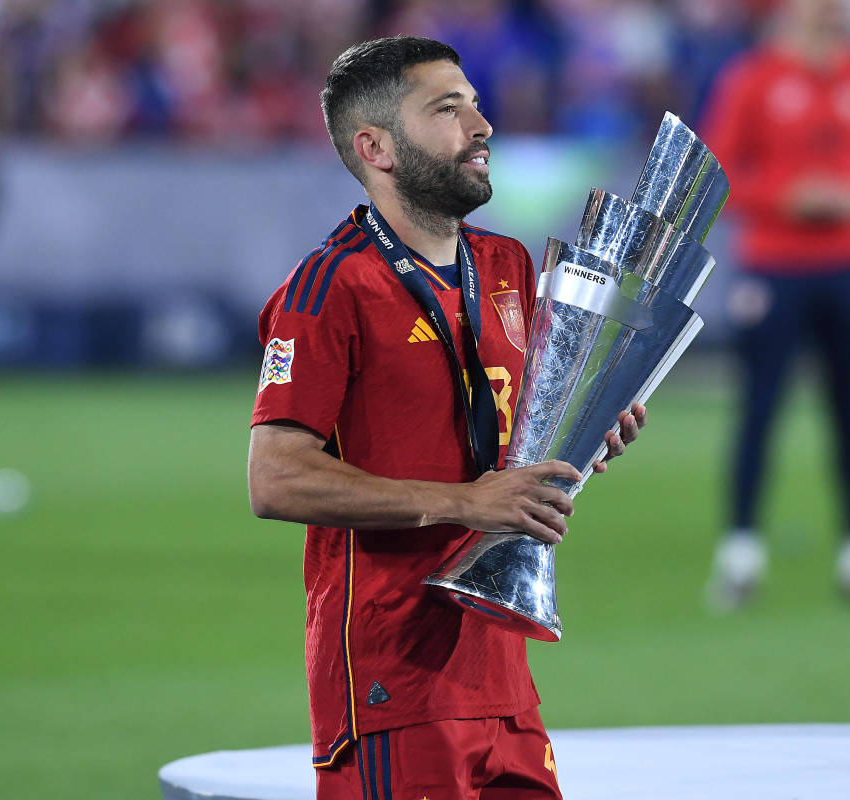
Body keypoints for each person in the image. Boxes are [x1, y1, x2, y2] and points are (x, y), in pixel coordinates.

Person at [246, 36, 645, 800]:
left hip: (502, 674)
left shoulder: (506, 267)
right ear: (377, 147)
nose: (481, 123)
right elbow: (275, 477)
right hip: (392, 683)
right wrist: (468, 502)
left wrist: (586, 431)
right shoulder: (329, 288)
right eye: (447, 108)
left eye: (475, 102)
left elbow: (511, 441)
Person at [700, 0, 850, 606]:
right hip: (775, 264)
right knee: (760, 411)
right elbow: (719, 169)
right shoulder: (752, 78)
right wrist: (788, 195)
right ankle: (740, 559)